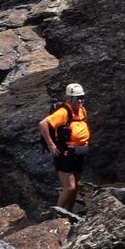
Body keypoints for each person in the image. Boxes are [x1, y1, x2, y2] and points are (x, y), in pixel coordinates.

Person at [40, 83, 90, 215]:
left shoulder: (82, 110)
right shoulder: (63, 112)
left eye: (82, 97)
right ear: (69, 99)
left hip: (78, 152)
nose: (80, 101)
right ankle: (57, 215)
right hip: (64, 154)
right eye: (77, 98)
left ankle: (69, 213)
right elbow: (43, 124)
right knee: (69, 187)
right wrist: (51, 144)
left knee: (75, 187)